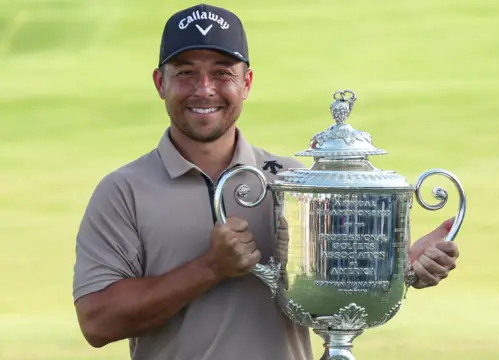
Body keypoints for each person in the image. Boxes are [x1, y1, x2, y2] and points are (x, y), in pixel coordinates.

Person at [72, 3, 461, 360]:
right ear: (160, 83)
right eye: (186, 72)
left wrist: (397, 268)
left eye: (222, 72)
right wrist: (210, 268)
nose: (204, 88)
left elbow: (344, 279)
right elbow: (97, 322)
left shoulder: (297, 184)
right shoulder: (124, 191)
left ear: (247, 83)